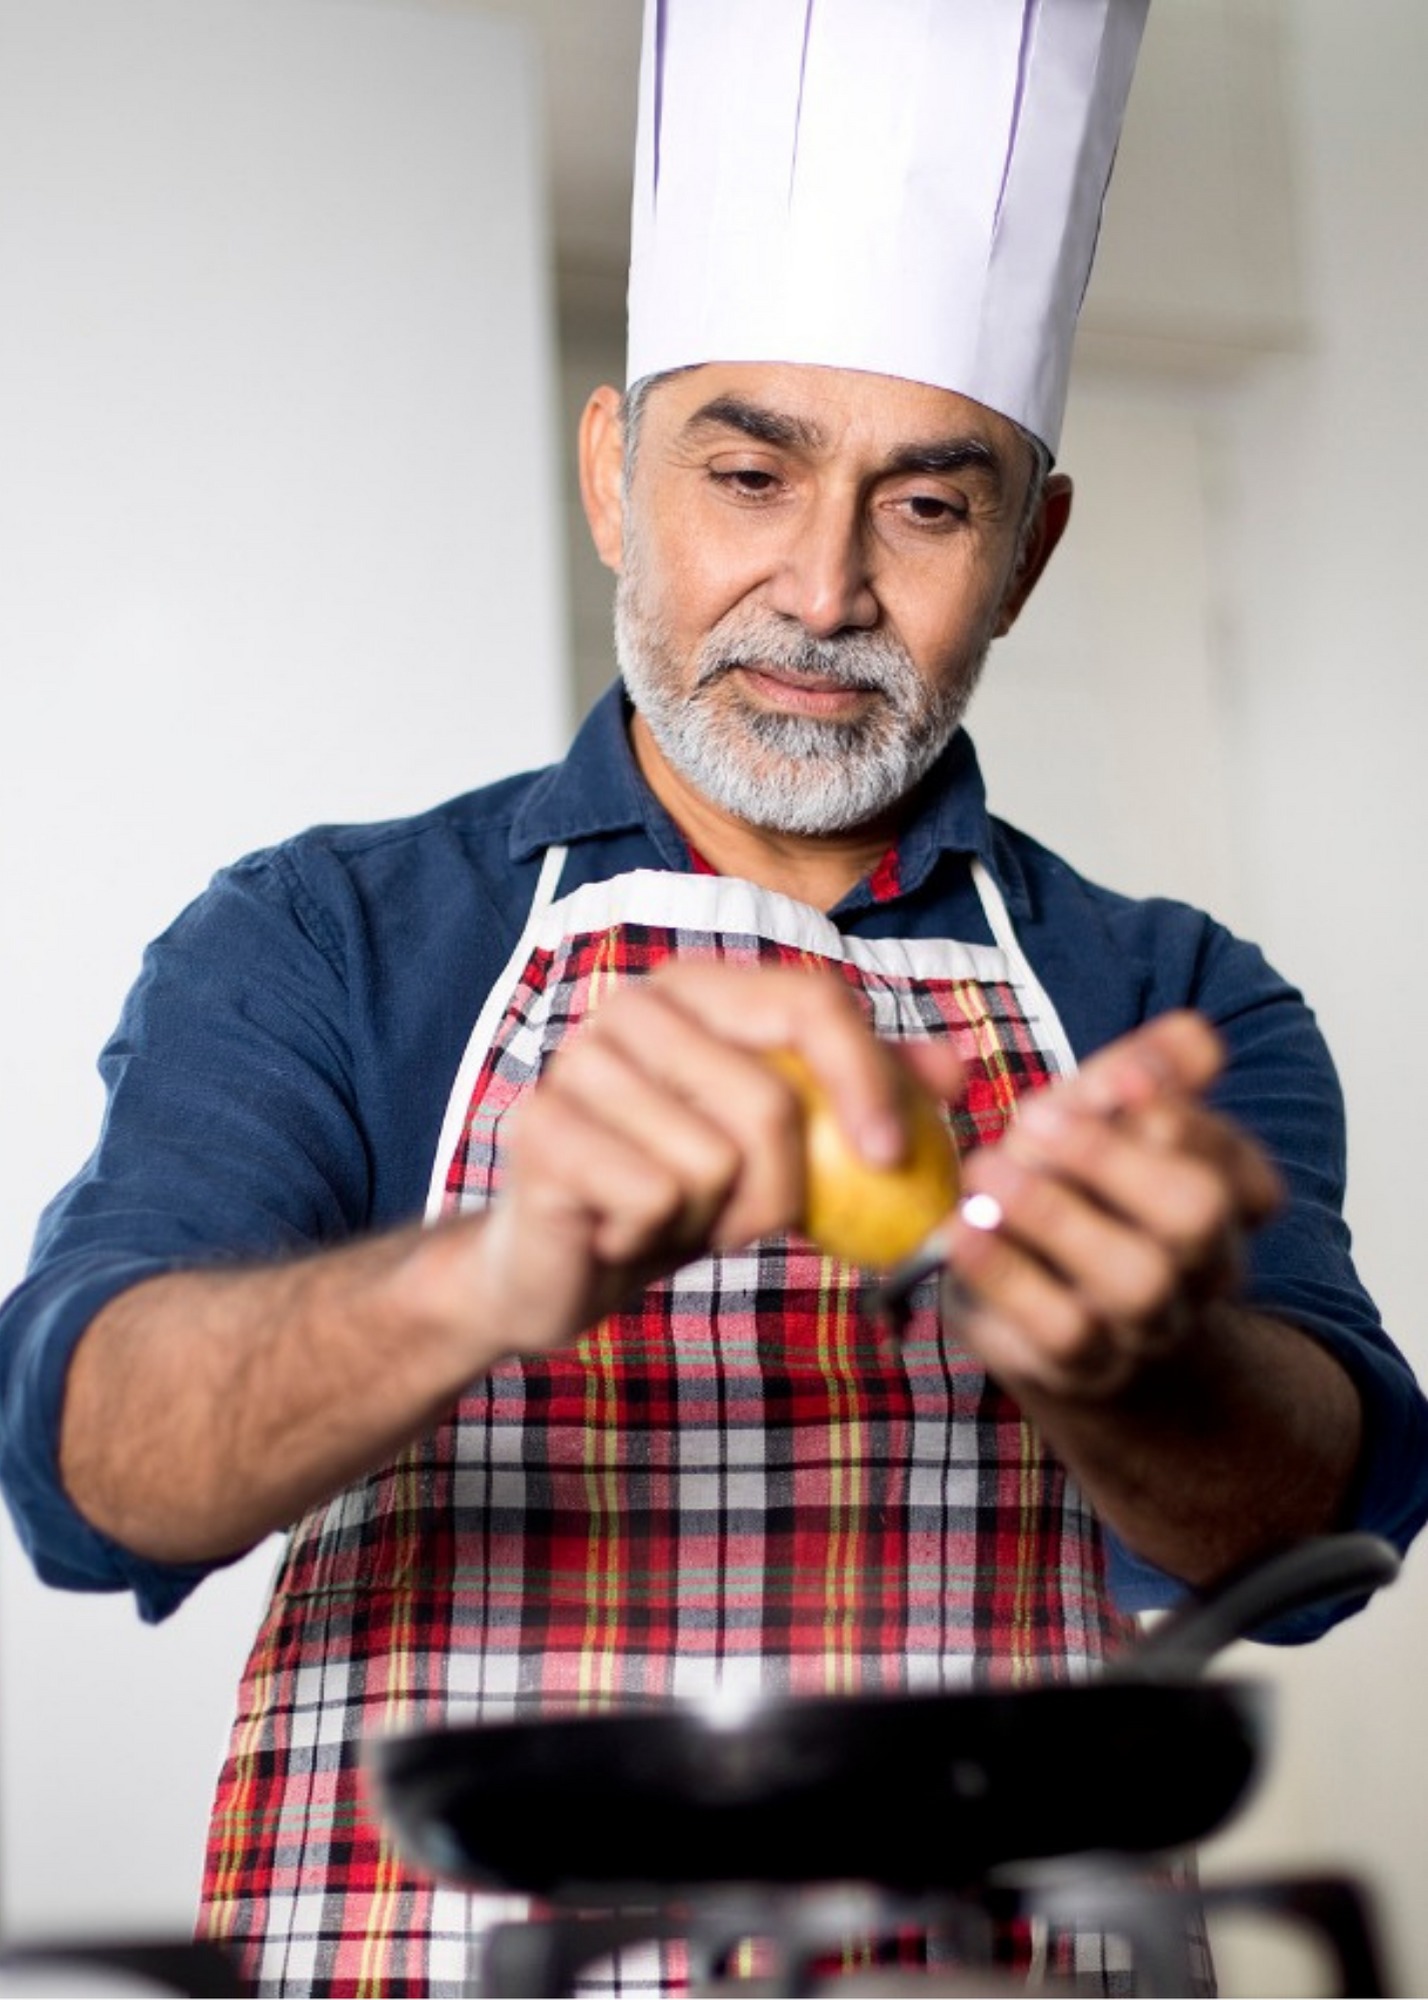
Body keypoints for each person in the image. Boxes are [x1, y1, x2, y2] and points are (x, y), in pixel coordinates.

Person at [1, 1, 1425, 1994]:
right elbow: (85, 1471)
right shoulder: (336, 933)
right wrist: (490, 1274)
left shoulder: (1166, 993)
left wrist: (1126, 1359)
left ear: (1029, 553)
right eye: (749, 473)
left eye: (928, 505)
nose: (824, 590)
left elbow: (1311, 1523)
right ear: (614, 475)